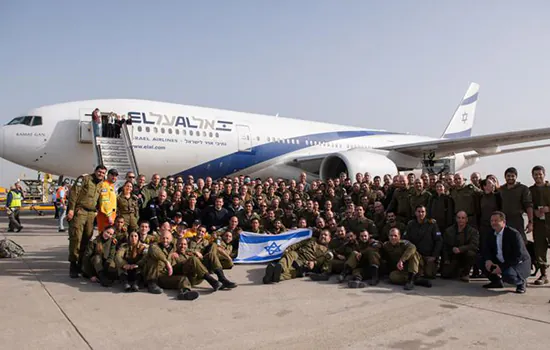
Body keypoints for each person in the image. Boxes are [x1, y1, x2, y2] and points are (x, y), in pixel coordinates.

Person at [67, 165, 106, 278]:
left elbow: (99, 199)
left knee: (87, 239)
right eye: (99, 172)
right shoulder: (84, 179)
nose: (101, 174)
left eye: (103, 173)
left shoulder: (101, 184)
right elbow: (74, 193)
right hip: (80, 211)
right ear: (95, 171)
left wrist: (98, 211)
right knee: (76, 238)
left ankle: (81, 264)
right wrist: (71, 209)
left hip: (91, 214)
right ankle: (73, 265)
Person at [482, 211, 531, 294]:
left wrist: (501, 267)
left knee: (508, 275)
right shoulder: (490, 233)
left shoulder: (513, 234)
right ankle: (496, 281)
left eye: (496, 220)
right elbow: (486, 249)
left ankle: (521, 282)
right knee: (479, 260)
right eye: (492, 221)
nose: (493, 223)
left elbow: (518, 255)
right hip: (501, 259)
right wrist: (488, 260)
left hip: (516, 263)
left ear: (503, 222)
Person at [262, 230, 331, 284]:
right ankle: (280, 267)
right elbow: (298, 244)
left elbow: (321, 261)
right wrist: (288, 249)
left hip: (305, 263)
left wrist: (313, 263)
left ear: (329, 238)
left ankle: (270, 277)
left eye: (325, 235)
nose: (323, 236)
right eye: (322, 234)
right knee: (291, 254)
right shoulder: (312, 239)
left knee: (291, 272)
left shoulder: (327, 251)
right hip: (298, 254)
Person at [403, 205, 442, 279]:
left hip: (428, 256)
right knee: (415, 274)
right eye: (419, 211)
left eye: (423, 212)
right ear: (415, 213)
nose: (421, 214)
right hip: (416, 255)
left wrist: (434, 256)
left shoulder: (432, 224)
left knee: (430, 275)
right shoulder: (411, 224)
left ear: (425, 213)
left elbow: (439, 240)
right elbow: (405, 239)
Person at [441, 211, 479, 282]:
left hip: (466, 255)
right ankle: (458, 270)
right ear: (456, 219)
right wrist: (446, 259)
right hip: (453, 255)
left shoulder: (473, 231)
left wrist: (460, 249)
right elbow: (445, 246)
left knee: (471, 254)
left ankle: (465, 274)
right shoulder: (449, 231)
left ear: (466, 219)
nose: (461, 220)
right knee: (446, 274)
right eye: (459, 218)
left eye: (463, 218)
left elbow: (474, 245)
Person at [499, 167, 533, 243]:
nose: (510, 178)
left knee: (520, 242)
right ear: (505, 177)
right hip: (504, 220)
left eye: (512, 176)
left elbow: (528, 205)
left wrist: (530, 222)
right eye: (508, 176)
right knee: (505, 243)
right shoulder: (501, 189)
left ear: (516, 177)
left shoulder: (523, 189)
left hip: (517, 219)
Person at [528, 165, 550, 285]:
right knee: (539, 249)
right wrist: (533, 211)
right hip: (539, 224)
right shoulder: (530, 190)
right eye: (535, 174)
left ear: (544, 174)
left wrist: (548, 208)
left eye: (540, 174)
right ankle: (543, 274)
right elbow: (527, 204)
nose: (538, 176)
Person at [96, 169, 118, 233]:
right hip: (105, 215)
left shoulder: (111, 186)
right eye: (112, 175)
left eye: (116, 176)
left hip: (111, 215)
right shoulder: (105, 185)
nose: (114, 177)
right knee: (104, 235)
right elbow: (105, 201)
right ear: (108, 175)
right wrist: (109, 216)